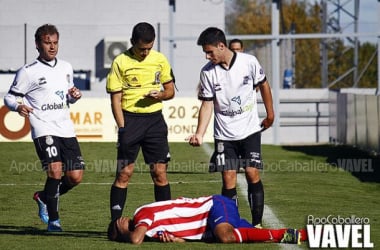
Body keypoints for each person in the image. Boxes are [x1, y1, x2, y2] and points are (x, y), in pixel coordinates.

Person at [188, 27, 275, 228]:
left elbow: (264, 85)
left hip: (249, 130)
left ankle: (257, 224)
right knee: (229, 178)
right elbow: (207, 103)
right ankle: (231, 224)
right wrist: (200, 133)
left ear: (221, 46)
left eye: (209, 52)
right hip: (224, 134)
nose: (206, 56)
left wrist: (270, 114)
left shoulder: (249, 62)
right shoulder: (207, 73)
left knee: (252, 172)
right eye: (205, 52)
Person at [3, 24, 85, 232]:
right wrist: (18, 106)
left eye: (55, 42)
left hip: (65, 127)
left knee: (75, 177)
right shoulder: (28, 72)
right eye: (47, 43)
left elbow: (66, 96)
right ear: (37, 45)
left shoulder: (66, 67)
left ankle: (42, 196)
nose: (52, 47)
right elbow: (10, 97)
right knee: (55, 171)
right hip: (43, 127)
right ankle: (54, 221)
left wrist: (73, 96)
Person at [106, 22, 175, 221]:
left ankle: (164, 223)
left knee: (159, 173)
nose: (145, 52)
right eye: (141, 48)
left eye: (149, 48)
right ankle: (115, 224)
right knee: (124, 174)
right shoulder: (120, 61)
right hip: (131, 121)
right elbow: (115, 99)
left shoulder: (160, 59)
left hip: (154, 121)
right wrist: (122, 128)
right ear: (132, 42)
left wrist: (161, 95)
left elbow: (170, 91)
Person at [107, 195, 306, 245]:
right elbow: (183, 233)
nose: (122, 218)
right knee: (255, 237)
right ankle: (302, 234)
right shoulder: (151, 233)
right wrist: (178, 240)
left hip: (214, 206)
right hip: (210, 224)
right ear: (119, 233)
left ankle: (283, 234)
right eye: (119, 223)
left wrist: (127, 235)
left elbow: (135, 240)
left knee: (225, 236)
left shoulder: (141, 214)